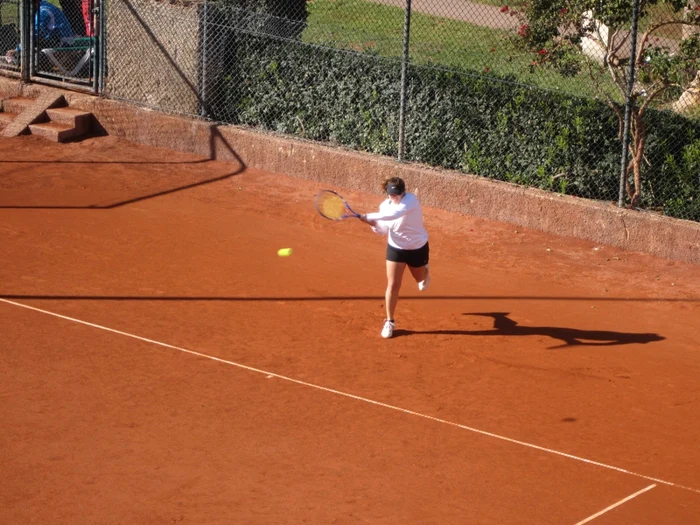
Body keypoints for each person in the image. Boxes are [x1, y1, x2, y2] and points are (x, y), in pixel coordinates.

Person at [359, 177, 430, 339]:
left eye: (397, 194)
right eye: (391, 194)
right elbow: (382, 230)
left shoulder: (411, 200)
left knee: (420, 278)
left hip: (417, 247)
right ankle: (389, 321)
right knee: (392, 285)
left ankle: (425, 272)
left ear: (403, 192)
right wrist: (370, 223)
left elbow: (393, 215)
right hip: (396, 248)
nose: (394, 197)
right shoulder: (384, 206)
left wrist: (368, 216)